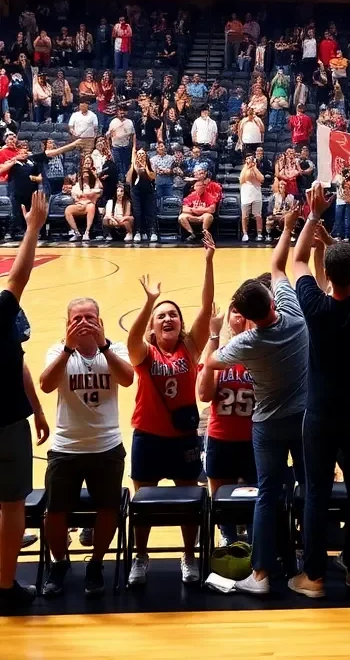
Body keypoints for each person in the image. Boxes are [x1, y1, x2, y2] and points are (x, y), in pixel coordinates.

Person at [204, 210, 309, 597]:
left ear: (245, 317)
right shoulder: (296, 316)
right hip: (302, 418)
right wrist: (289, 226)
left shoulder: (247, 343)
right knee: (306, 488)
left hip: (267, 423)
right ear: (270, 298)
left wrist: (218, 337)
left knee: (267, 493)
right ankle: (306, 566)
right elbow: (279, 264)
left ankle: (261, 575)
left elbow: (212, 361)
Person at [288, 186, 350, 599]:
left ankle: (313, 577)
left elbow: (295, 261)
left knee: (316, 491)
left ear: (327, 272)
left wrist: (313, 218)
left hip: (322, 413)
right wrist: (338, 255)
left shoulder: (315, 306)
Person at [124, 235, 215, 586]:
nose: (168, 319)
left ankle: (189, 556)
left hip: (182, 438)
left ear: (180, 323)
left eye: (173, 315)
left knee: (188, 500)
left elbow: (206, 310)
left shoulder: (190, 348)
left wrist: (208, 262)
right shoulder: (145, 354)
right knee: (142, 502)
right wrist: (150, 302)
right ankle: (140, 557)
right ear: (152, 326)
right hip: (147, 436)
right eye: (162, 316)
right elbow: (133, 340)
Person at [38, 297, 134, 597]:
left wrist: (103, 344)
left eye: (89, 317)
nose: (83, 323)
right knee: (54, 512)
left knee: (108, 509)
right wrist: (68, 348)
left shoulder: (114, 349)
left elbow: (128, 379)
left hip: (106, 446)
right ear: (67, 324)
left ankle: (96, 563)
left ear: (100, 320)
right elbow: (46, 384)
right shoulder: (58, 351)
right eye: (77, 318)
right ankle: (59, 562)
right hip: (66, 446)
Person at [0, 192, 49, 610]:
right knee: (13, 505)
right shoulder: (1, 310)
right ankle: (5, 585)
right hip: (7, 423)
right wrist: (32, 227)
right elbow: (18, 275)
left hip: (14, 416)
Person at [196, 305, 256, 547]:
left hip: (254, 440)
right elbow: (203, 393)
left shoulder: (262, 355)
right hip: (221, 439)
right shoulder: (220, 353)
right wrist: (213, 335)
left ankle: (254, 544)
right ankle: (228, 540)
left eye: (246, 311)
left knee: (255, 499)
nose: (240, 315)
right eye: (235, 310)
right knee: (222, 500)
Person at [126, 147, 158, 243]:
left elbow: (153, 177)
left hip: (148, 191)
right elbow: (128, 180)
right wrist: (133, 165)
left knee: (150, 212)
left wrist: (145, 167)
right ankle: (138, 232)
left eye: (143, 154)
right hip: (136, 192)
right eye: (139, 154)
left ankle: (152, 232)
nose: (141, 156)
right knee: (138, 212)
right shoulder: (133, 166)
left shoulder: (150, 164)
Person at [66, 158, 102, 242]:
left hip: (89, 205)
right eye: (84, 173)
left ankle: (87, 232)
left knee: (91, 207)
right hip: (79, 205)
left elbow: (99, 191)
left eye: (87, 174)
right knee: (68, 210)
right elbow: (75, 195)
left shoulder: (94, 183)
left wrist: (95, 177)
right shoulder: (78, 184)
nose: (86, 175)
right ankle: (77, 233)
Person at [178, 173, 221, 241]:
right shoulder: (191, 196)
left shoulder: (210, 196)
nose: (200, 187)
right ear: (194, 187)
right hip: (192, 215)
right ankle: (191, 233)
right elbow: (183, 208)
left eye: (201, 186)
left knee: (209, 216)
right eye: (198, 186)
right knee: (181, 217)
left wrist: (201, 210)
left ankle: (204, 233)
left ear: (204, 187)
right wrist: (193, 210)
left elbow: (212, 210)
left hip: (203, 216)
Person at [239, 153, 265, 243]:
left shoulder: (256, 168)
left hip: (256, 194)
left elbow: (261, 179)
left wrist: (254, 167)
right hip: (246, 194)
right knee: (245, 216)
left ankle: (259, 233)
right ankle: (245, 233)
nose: (250, 160)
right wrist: (247, 166)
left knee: (258, 215)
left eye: (251, 158)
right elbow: (241, 180)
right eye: (248, 158)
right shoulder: (244, 169)